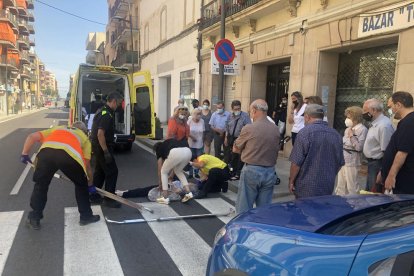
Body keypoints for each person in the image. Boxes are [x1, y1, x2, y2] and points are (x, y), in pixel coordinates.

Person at [20, 122, 100, 230]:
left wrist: (24, 154)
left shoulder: (58, 129)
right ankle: (86, 216)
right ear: (84, 131)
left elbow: (31, 136)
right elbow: (87, 167)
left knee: (41, 185)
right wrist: (89, 185)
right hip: (68, 157)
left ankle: (34, 218)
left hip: (45, 154)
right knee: (81, 185)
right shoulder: (84, 139)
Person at [233, 99, 280, 214]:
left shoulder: (249, 128)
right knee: (264, 209)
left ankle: (243, 230)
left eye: (250, 111)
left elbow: (235, 148)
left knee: (244, 208)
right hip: (270, 171)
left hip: (252, 170)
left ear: (254, 110)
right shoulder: (275, 129)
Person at [289, 104, 344, 198]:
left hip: (305, 186)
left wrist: (291, 181)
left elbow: (296, 163)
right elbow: (340, 163)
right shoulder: (336, 134)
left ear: (307, 117)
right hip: (327, 185)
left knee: (304, 211)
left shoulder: (304, 133)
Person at [90, 92, 123, 208]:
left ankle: (93, 195)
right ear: (113, 101)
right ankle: (109, 199)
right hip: (102, 146)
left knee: (100, 172)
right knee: (112, 171)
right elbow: (100, 134)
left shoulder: (101, 110)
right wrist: (106, 152)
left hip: (96, 146)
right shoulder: (107, 114)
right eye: (118, 103)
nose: (118, 106)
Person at [379, 92, 414, 194]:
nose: (391, 111)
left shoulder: (409, 123)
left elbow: (402, 152)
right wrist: (383, 171)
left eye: (391, 107)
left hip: (403, 182)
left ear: (398, 105)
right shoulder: (407, 122)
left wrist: (391, 176)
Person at [362, 98, 394, 192]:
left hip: (377, 164)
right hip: (372, 163)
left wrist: (382, 170)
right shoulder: (375, 123)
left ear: (374, 110)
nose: (363, 113)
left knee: (374, 193)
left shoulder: (384, 126)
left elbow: (387, 151)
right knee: (369, 191)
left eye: (365, 110)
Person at [335, 106, 368, 195]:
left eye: (349, 117)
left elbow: (359, 147)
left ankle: (354, 204)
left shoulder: (362, 129)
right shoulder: (347, 129)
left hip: (353, 161)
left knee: (352, 186)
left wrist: (352, 136)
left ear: (356, 118)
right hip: (343, 160)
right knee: (340, 185)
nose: (347, 119)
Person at [154, 139, 194, 204]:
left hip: (175, 152)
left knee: (163, 172)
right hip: (188, 151)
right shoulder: (168, 143)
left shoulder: (159, 149)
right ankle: (189, 193)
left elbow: (160, 168)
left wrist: (160, 183)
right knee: (178, 171)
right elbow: (174, 164)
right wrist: (171, 176)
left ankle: (165, 197)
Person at [224, 100, 251, 180]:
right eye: (235, 109)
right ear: (232, 109)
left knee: (239, 157)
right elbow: (227, 127)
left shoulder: (245, 116)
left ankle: (238, 173)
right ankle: (232, 172)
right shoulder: (229, 116)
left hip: (240, 138)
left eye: (238, 109)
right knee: (231, 157)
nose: (237, 111)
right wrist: (226, 138)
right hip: (231, 138)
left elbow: (249, 127)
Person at [187, 108, 205, 178]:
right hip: (191, 143)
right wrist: (192, 137)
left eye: (200, 114)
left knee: (198, 159)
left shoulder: (202, 121)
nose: (199, 116)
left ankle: (196, 172)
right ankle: (190, 173)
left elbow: (203, 131)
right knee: (191, 158)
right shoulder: (189, 121)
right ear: (193, 114)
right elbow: (187, 131)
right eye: (197, 114)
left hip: (199, 144)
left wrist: (203, 141)